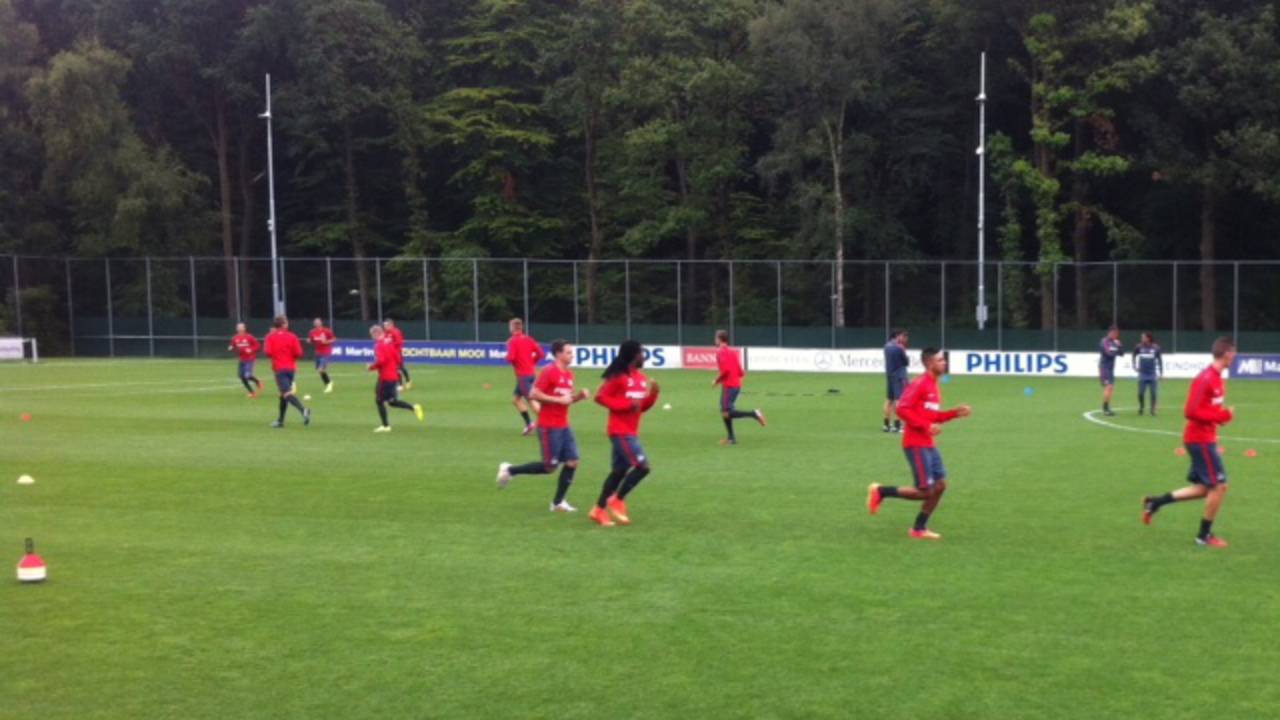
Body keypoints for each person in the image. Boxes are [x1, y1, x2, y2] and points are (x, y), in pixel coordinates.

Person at [867, 348, 971, 540]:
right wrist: (925, 426)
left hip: (929, 444)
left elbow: (933, 417)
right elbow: (902, 409)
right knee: (924, 491)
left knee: (940, 485)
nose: (944, 363)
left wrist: (955, 413)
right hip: (916, 444)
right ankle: (881, 491)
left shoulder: (933, 385)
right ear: (930, 363)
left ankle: (919, 529)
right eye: (940, 360)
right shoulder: (920, 383)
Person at [1142, 337, 1237, 548]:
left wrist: (1217, 423)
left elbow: (1208, 410)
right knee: (1220, 486)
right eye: (1234, 353)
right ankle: (1204, 536)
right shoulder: (1205, 378)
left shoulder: (1218, 378)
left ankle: (1155, 502)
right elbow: (1190, 411)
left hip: (1205, 439)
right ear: (1226, 353)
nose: (1235, 357)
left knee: (1206, 488)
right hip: (1199, 440)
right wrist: (1222, 417)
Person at [496, 340, 590, 511]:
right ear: (558, 354)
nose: (572, 355)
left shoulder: (569, 375)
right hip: (549, 426)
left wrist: (578, 397)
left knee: (573, 461)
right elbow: (533, 393)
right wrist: (557, 399)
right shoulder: (549, 371)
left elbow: (565, 402)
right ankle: (510, 470)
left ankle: (558, 503)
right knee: (549, 467)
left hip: (564, 425)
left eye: (572, 352)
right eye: (568, 352)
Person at [590, 340, 660, 527]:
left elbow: (640, 407)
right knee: (643, 467)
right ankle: (617, 499)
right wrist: (626, 405)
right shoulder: (618, 377)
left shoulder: (640, 378)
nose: (644, 356)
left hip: (631, 431)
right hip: (620, 431)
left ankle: (598, 510)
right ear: (632, 355)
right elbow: (600, 397)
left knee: (619, 471)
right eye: (641, 353)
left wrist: (653, 395)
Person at [712, 329, 764, 445]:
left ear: (719, 339)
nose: (714, 340)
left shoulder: (720, 352)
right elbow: (741, 371)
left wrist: (716, 381)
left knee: (726, 412)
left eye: (715, 338)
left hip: (728, 386)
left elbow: (725, 370)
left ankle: (754, 414)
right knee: (726, 411)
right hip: (736, 385)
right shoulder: (732, 352)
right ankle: (731, 438)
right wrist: (736, 381)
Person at [368, 325, 423, 432]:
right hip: (393, 376)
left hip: (385, 377)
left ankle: (385, 426)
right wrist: (395, 369)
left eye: (372, 335)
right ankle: (414, 408)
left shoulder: (379, 345)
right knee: (392, 401)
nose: (372, 338)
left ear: (375, 334)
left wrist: (371, 367)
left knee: (379, 400)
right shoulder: (389, 343)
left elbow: (381, 361)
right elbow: (398, 358)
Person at [263, 315, 311, 428]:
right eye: (286, 322)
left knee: (286, 393)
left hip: (279, 368)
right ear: (283, 324)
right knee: (282, 395)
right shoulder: (292, 336)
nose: (288, 323)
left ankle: (303, 410)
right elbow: (299, 353)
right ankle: (280, 421)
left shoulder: (270, 337)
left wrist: (277, 354)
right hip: (291, 368)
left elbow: (267, 352)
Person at [505, 318, 546, 435]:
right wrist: (532, 361)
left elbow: (511, 358)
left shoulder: (512, 341)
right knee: (516, 400)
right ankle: (529, 424)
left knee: (532, 401)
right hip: (531, 375)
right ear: (521, 327)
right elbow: (541, 354)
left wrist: (506, 357)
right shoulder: (529, 339)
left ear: (512, 328)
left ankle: (548, 425)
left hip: (523, 376)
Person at [883, 329, 909, 432]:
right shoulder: (899, 347)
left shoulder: (886, 346)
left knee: (889, 400)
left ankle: (886, 425)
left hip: (889, 375)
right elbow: (906, 362)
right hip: (898, 376)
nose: (903, 338)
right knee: (899, 400)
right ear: (897, 336)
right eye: (902, 336)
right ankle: (898, 426)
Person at [1132, 331, 1163, 416]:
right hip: (1142, 374)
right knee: (1140, 393)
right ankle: (1142, 406)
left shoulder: (1156, 348)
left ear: (1148, 338)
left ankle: (1153, 410)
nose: (1142, 338)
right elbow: (1134, 355)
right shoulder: (1139, 347)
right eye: (1141, 337)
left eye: (1143, 337)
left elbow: (1160, 360)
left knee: (1153, 393)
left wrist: (1161, 372)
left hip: (1152, 374)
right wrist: (1134, 365)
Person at [228, 323, 262, 398]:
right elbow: (232, 345)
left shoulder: (249, 337)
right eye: (238, 327)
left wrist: (251, 349)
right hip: (242, 359)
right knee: (241, 376)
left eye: (241, 327)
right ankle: (252, 392)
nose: (239, 329)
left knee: (247, 375)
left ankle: (257, 381)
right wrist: (230, 347)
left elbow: (258, 346)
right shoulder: (235, 338)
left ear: (244, 328)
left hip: (250, 359)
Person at [307, 318, 336, 394]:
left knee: (321, 369)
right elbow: (311, 340)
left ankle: (329, 384)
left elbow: (334, 339)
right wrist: (309, 341)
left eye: (318, 322)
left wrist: (326, 341)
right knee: (319, 370)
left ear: (321, 323)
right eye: (315, 323)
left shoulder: (326, 331)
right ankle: (329, 382)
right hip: (318, 353)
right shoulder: (312, 332)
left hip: (326, 352)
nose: (316, 324)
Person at [1099, 325, 1123, 416]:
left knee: (1111, 388)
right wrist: (1116, 350)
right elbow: (1108, 353)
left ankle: (1107, 407)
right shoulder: (1104, 341)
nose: (1116, 335)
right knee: (1108, 387)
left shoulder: (1115, 342)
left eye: (1117, 334)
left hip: (1111, 368)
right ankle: (1105, 409)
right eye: (1115, 333)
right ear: (1110, 332)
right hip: (1104, 367)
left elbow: (1121, 354)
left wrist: (1119, 346)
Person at [382, 318, 411, 390]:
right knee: (395, 369)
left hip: (397, 354)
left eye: (386, 325)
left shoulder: (396, 332)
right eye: (384, 325)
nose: (385, 327)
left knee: (400, 368)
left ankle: (408, 380)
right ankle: (400, 384)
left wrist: (390, 344)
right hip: (389, 354)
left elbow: (399, 342)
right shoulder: (385, 333)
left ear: (391, 325)